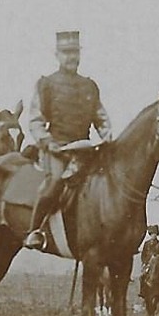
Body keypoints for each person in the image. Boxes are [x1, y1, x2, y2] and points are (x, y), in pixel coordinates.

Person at [24, 30, 111, 251]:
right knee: (54, 185)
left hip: (85, 149)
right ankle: (36, 230)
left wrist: (107, 136)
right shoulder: (46, 84)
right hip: (57, 150)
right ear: (57, 54)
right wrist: (49, 142)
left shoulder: (89, 85)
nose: (71, 57)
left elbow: (101, 118)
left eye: (75, 52)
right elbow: (35, 120)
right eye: (66, 52)